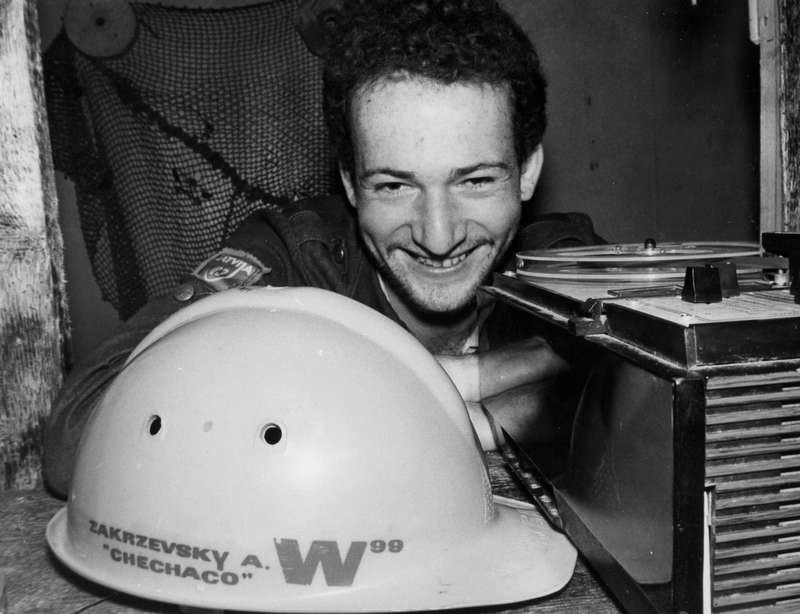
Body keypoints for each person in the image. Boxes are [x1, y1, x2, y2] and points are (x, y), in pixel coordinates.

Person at [43, 0, 600, 497]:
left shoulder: (561, 267)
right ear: (351, 185)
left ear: (527, 171)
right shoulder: (291, 257)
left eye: (474, 181)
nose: (438, 236)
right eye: (394, 186)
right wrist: (474, 396)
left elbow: (636, 403)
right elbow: (76, 440)